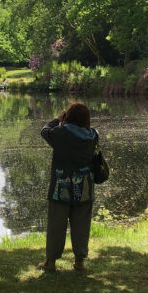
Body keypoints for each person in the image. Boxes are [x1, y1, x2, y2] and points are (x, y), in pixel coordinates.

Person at [38, 103, 98, 271]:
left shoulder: (61, 133)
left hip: (60, 189)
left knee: (56, 226)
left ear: (68, 117)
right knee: (81, 226)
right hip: (85, 189)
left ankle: (51, 263)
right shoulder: (93, 135)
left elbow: (44, 131)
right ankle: (79, 261)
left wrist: (57, 120)